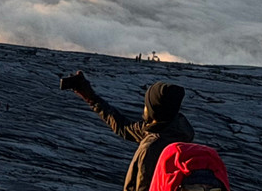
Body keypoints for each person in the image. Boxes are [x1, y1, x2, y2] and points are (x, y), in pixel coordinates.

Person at [64, 71, 195, 191]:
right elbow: (123, 127)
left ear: (153, 108)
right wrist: (91, 98)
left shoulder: (152, 147)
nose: (144, 108)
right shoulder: (173, 129)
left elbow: (141, 186)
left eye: (146, 104)